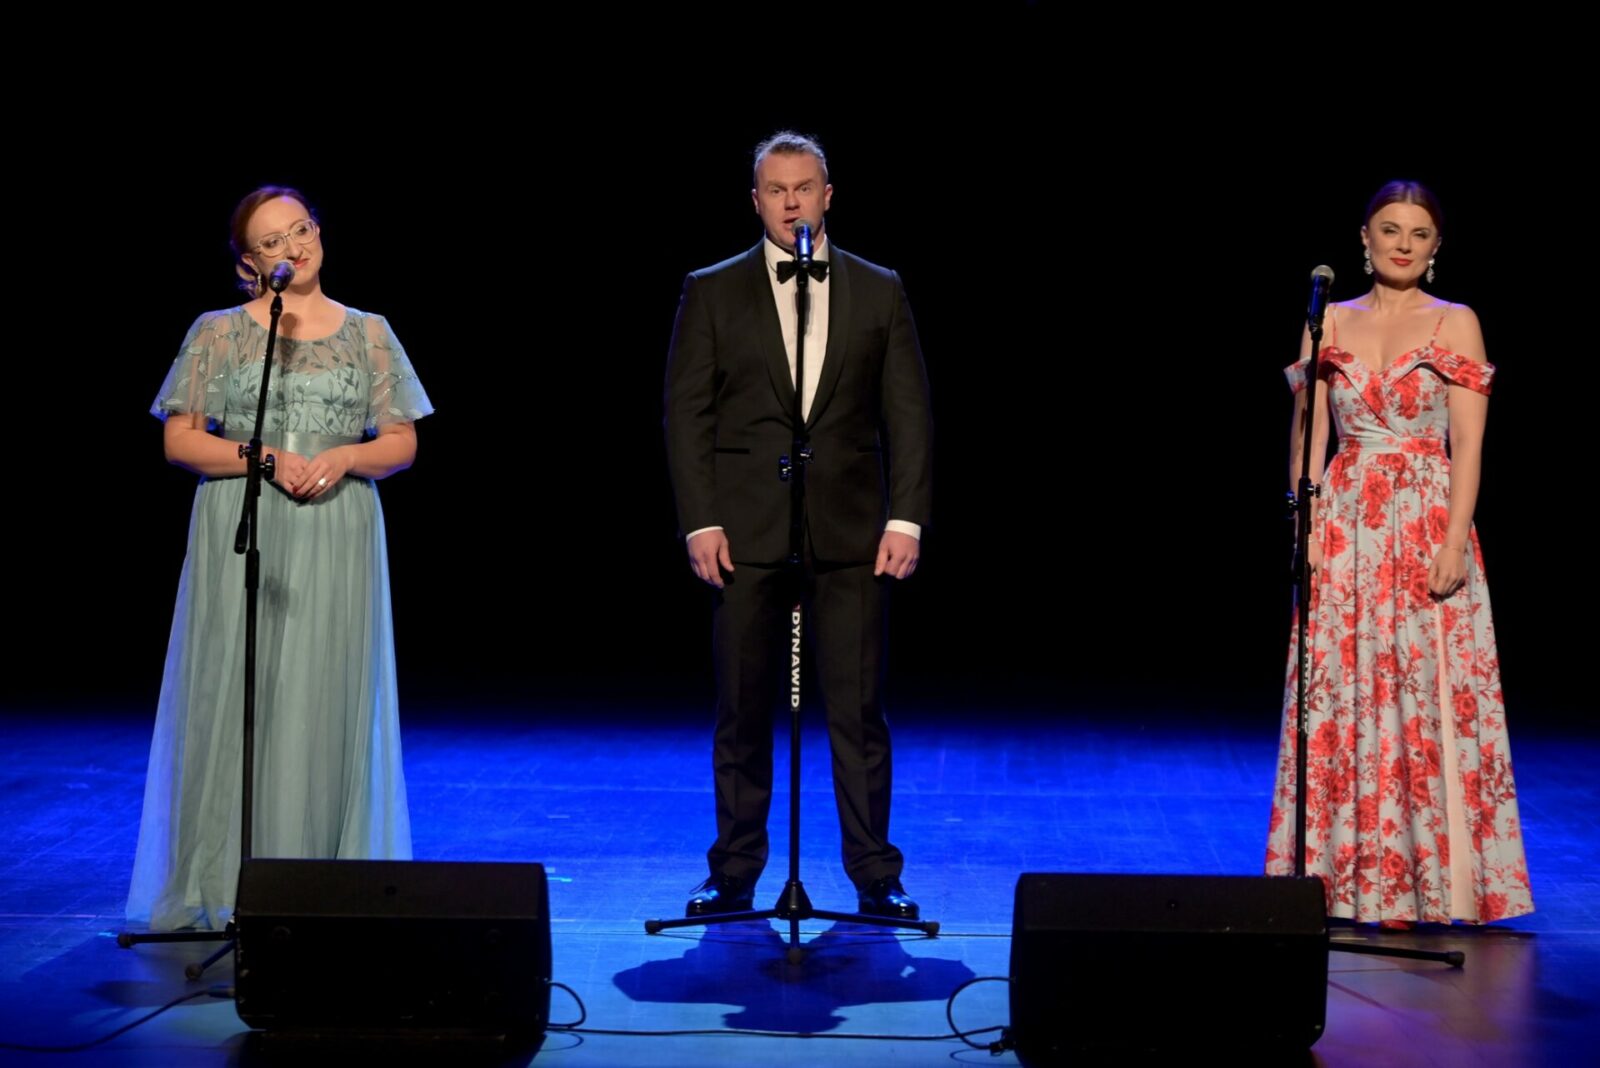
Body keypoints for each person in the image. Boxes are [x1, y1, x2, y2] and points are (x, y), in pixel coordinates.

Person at [126, 186, 430, 931]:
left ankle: (325, 882)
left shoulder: (370, 332)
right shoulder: (218, 332)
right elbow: (180, 439)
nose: (293, 247)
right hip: (245, 520)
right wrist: (260, 457)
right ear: (248, 264)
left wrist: (348, 456)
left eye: (300, 229)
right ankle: (228, 881)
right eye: (272, 242)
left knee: (324, 699)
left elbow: (402, 441)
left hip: (336, 527)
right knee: (239, 696)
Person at [663, 131, 933, 919]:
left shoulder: (878, 289)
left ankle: (875, 874)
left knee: (857, 712)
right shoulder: (712, 289)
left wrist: (906, 517)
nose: (791, 203)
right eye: (776, 190)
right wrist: (700, 521)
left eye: (803, 188)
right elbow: (687, 415)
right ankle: (734, 872)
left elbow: (909, 413)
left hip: (851, 533)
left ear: (827, 195)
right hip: (746, 532)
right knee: (743, 710)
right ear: (756, 201)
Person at [1266, 181, 1532, 925]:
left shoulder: (1455, 321)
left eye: (1419, 233)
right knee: (1342, 689)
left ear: (1436, 245)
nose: (1404, 244)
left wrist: (1454, 538)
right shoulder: (1329, 320)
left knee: (1424, 692)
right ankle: (1341, 877)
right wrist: (1305, 525)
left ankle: (1434, 884)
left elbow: (1468, 442)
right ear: (1365, 237)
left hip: (1424, 517)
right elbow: (1308, 435)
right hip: (1346, 520)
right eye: (1390, 229)